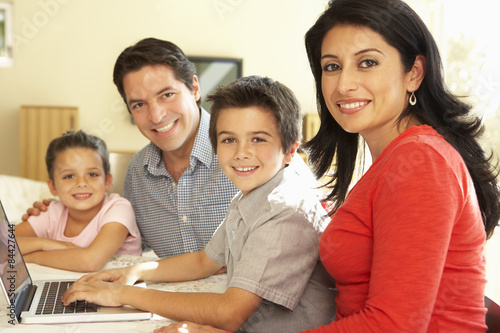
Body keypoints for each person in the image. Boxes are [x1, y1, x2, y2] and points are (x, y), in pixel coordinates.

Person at [155, 0, 500, 332]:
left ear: (414, 73)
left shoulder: (420, 162)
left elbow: (392, 327)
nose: (344, 84)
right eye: (332, 66)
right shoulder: (396, 160)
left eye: (367, 62)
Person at [61, 76, 336, 332]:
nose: (242, 153)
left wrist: (122, 294)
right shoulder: (252, 194)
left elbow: (229, 312)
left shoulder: (284, 209)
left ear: (290, 149)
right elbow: (204, 260)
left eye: (258, 139)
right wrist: (131, 272)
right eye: (229, 139)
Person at [23, 38, 239, 258]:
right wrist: (57, 214)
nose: (156, 115)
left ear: (194, 88)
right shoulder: (137, 172)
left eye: (167, 94)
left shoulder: (242, 152)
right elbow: (130, 243)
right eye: (139, 104)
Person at [14, 130, 141, 272]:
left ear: (106, 181)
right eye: (69, 176)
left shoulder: (118, 208)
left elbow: (90, 261)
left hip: (119, 290)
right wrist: (43, 243)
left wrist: (31, 257)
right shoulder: (52, 212)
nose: (81, 183)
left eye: (92, 174)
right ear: (53, 187)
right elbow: (3, 244)